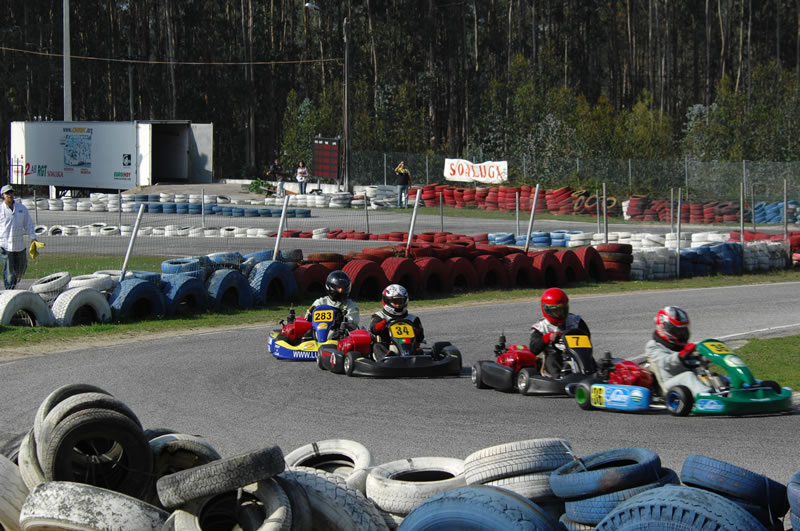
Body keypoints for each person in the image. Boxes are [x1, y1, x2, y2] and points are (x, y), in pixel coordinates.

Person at [645, 306, 712, 396]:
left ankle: (733, 391)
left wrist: (703, 358)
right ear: (664, 328)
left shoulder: (680, 347)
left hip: (688, 384)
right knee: (688, 376)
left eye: (683, 330)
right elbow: (665, 363)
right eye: (677, 331)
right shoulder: (653, 346)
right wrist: (681, 355)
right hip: (667, 386)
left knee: (713, 376)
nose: (681, 334)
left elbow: (690, 362)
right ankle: (707, 397)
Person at [529, 287, 590, 377]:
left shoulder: (575, 321)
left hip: (575, 353)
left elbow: (587, 337)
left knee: (588, 357)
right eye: (556, 310)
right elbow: (533, 349)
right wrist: (548, 337)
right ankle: (558, 378)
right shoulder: (541, 327)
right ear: (547, 310)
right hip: (555, 355)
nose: (560, 313)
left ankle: (590, 374)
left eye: (562, 309)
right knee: (553, 358)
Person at [368, 284, 425, 361]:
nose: (398, 305)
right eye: (395, 301)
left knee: (418, 349)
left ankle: (416, 357)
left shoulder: (413, 319)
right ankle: (388, 358)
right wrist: (383, 324)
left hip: (409, 346)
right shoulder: (379, 316)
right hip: (387, 346)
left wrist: (415, 331)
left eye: (401, 301)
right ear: (387, 301)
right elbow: (373, 328)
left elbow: (420, 337)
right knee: (377, 346)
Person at [0, 184, 38, 290]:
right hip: (4, 246)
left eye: (11, 192)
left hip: (19, 245)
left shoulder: (21, 208)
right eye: (7, 193)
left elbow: (28, 224)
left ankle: (13, 284)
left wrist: (33, 237)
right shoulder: (0, 209)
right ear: (3, 195)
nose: (10, 195)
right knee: (9, 272)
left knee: (21, 269)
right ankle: (9, 291)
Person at [305, 270, 360, 337]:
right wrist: (310, 314)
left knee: (341, 333)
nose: (340, 290)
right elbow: (307, 317)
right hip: (320, 332)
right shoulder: (321, 302)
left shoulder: (350, 305)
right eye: (338, 288)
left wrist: (341, 318)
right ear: (330, 287)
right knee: (307, 332)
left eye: (343, 288)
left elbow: (353, 322)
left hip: (341, 335)